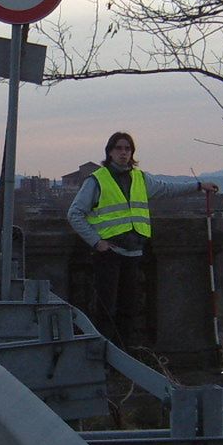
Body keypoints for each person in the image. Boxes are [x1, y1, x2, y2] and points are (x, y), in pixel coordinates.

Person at [67, 131, 151, 349]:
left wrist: (199, 186)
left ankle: (123, 354)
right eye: (118, 148)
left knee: (129, 309)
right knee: (106, 309)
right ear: (110, 152)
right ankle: (105, 355)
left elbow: (167, 189)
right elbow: (74, 213)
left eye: (127, 149)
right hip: (109, 254)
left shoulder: (140, 178)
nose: (123, 153)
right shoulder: (98, 179)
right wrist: (97, 242)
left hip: (133, 253)